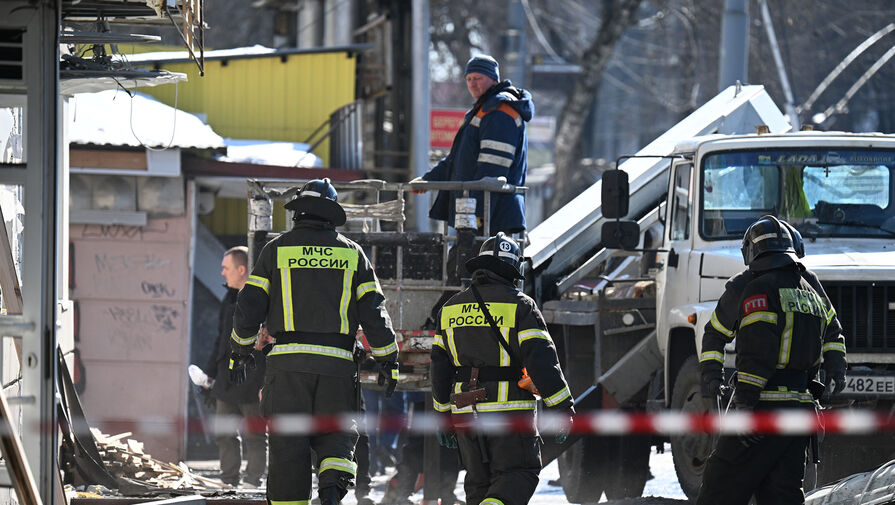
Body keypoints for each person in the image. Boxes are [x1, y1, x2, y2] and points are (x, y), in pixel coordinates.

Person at [230, 178, 400, 505]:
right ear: (331, 215)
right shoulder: (353, 254)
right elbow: (375, 312)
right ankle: (331, 491)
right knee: (336, 436)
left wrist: (240, 350)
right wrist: (388, 359)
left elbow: (249, 306)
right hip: (336, 365)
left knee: (288, 448)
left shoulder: (275, 249)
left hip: (287, 367)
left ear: (298, 212)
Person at [696, 216, 848, 505]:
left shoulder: (750, 286)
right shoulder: (810, 286)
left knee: (720, 487)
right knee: (783, 494)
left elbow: (751, 351)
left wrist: (738, 401)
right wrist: (837, 369)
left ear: (750, 252)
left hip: (761, 410)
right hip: (801, 413)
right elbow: (833, 331)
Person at [429, 232, 574, 505]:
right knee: (519, 474)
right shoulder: (522, 306)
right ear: (513, 270)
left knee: (478, 486)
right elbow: (542, 362)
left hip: (464, 414)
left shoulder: (449, 309)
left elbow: (438, 369)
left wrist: (442, 415)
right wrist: (562, 407)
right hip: (508, 412)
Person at [414, 54, 534, 235]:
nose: (472, 83)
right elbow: (457, 159)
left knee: (474, 261)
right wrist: (429, 179)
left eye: (478, 78)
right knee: (463, 261)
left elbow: (492, 170)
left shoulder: (498, 112)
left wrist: (476, 215)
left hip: (491, 217)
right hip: (480, 214)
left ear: (494, 79)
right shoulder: (484, 110)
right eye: (469, 79)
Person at [199, 246, 267, 488]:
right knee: (223, 433)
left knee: (255, 437)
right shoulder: (228, 300)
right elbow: (221, 341)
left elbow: (268, 346)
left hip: (252, 381)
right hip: (226, 383)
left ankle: (252, 481)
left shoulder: (262, 300)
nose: (222, 273)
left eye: (226, 268)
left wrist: (264, 383)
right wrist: (209, 376)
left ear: (241, 269)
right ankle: (228, 481)